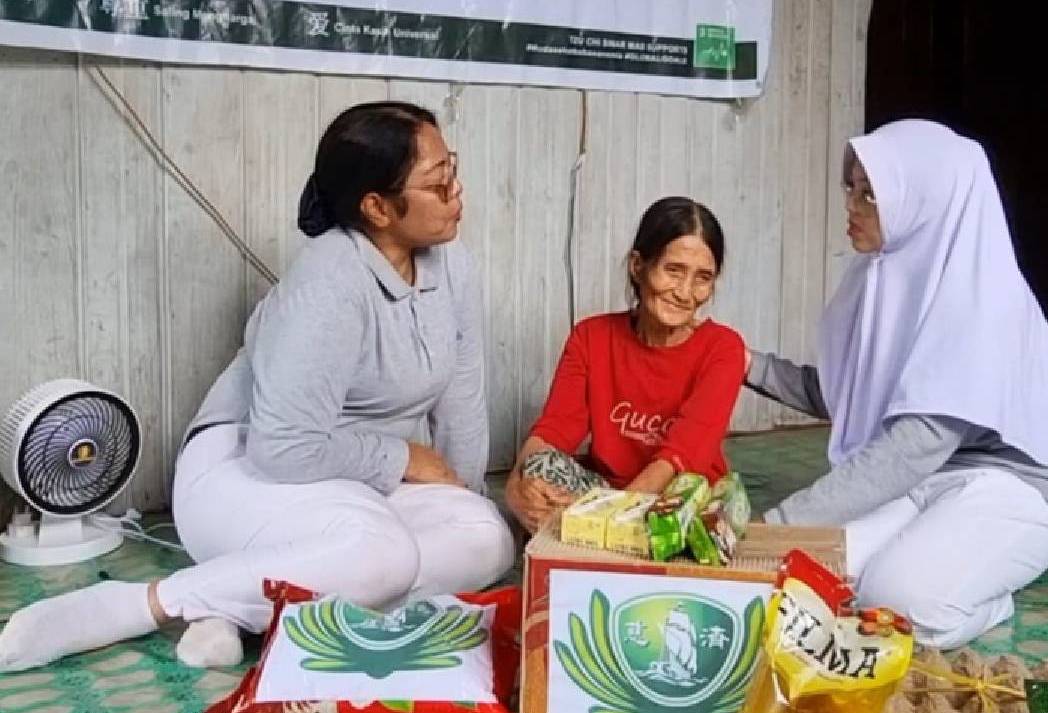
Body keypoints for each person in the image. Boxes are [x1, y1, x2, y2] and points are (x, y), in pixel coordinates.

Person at [0, 101, 514, 672]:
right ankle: (142, 604)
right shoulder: (329, 282)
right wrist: (405, 456)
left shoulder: (453, 266)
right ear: (377, 207)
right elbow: (284, 448)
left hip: (352, 481)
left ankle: (235, 612)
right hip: (246, 467)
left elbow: (463, 397)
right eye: (438, 185)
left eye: (453, 173)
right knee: (384, 553)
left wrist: (461, 492)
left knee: (484, 539)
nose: (457, 194)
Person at [744, 120, 1048, 649]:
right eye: (851, 189)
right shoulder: (883, 277)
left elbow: (913, 446)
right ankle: (936, 567)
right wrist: (747, 363)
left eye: (871, 194)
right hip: (924, 480)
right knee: (805, 578)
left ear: (925, 201)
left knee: (894, 605)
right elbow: (847, 396)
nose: (852, 206)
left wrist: (775, 523)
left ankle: (989, 601)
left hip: (1009, 485)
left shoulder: (982, 298)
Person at [505, 197, 744, 533]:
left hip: (680, 504)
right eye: (673, 271)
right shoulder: (591, 337)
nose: (685, 292)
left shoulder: (723, 348)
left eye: (702, 278)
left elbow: (682, 455)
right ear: (638, 266)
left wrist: (611, 520)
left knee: (674, 527)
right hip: (609, 491)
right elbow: (555, 429)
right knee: (538, 470)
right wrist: (519, 485)